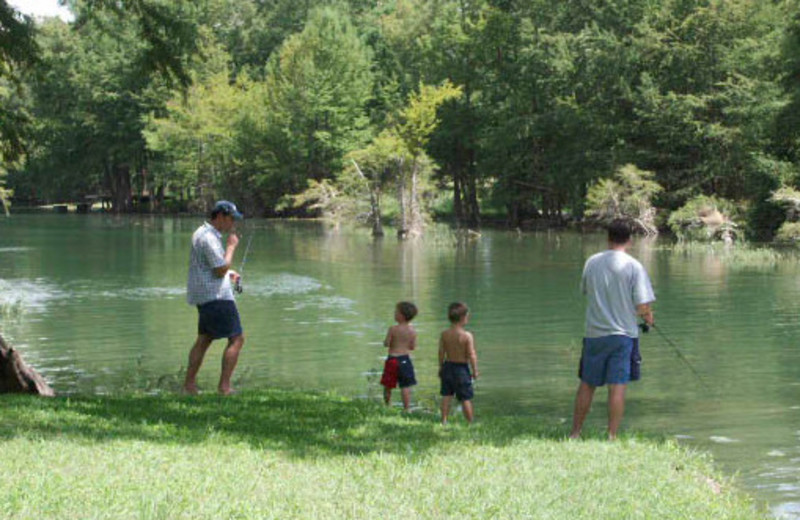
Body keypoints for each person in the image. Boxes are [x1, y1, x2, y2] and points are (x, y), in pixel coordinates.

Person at [570, 219, 655, 440]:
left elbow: (586, 290)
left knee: (587, 384)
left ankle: (576, 433)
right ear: (630, 239)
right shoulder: (634, 266)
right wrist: (648, 317)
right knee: (617, 387)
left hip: (594, 334)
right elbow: (642, 306)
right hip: (623, 335)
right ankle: (611, 436)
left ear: (608, 237)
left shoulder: (592, 262)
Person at [183, 200, 246, 395]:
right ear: (220, 216)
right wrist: (231, 247)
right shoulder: (209, 237)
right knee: (237, 338)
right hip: (216, 296)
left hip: (205, 296)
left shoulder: (202, 233)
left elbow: (211, 267)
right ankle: (225, 387)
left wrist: (230, 273)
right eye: (231, 219)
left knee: (204, 339)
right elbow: (219, 269)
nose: (233, 223)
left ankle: (189, 386)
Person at [438, 302, 479, 425]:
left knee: (446, 395)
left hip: (448, 366)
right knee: (465, 397)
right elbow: (471, 354)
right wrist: (475, 370)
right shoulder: (467, 336)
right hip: (461, 369)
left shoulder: (445, 334)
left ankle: (444, 420)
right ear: (463, 318)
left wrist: (441, 367)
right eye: (467, 316)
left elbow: (441, 352)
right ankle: (470, 422)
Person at [380, 301, 418, 411]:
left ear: (401, 316)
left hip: (392, 359)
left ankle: (388, 406)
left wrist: (386, 342)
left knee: (388, 385)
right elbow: (412, 347)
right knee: (405, 386)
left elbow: (387, 343)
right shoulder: (412, 331)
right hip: (405, 359)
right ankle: (407, 408)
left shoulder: (393, 329)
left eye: (396, 312)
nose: (394, 314)